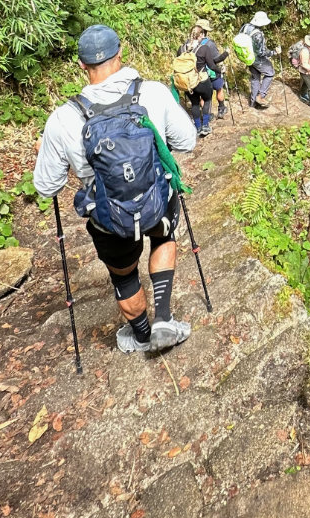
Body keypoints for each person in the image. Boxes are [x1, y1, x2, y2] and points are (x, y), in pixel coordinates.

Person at [33, 25, 196, 355]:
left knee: (124, 276)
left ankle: (140, 335)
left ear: (81, 65)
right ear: (119, 53)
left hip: (109, 218)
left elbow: (47, 186)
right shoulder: (153, 93)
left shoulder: (63, 118)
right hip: (157, 202)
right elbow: (187, 141)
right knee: (164, 237)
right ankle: (164, 318)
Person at [192, 20, 230, 122]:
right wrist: (226, 53)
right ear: (205, 31)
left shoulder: (190, 44)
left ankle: (207, 114)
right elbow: (216, 59)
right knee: (219, 88)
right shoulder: (209, 44)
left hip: (198, 74)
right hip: (212, 72)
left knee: (203, 96)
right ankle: (221, 109)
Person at [239, 10, 275, 109]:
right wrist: (273, 52)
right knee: (270, 73)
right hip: (256, 59)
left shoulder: (245, 27)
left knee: (255, 77)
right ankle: (261, 96)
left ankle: (252, 103)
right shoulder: (258, 34)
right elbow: (261, 52)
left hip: (247, 57)